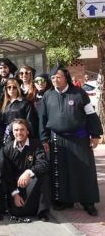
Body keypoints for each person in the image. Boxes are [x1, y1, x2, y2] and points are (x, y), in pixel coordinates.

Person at [39, 67, 102, 216]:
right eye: (53, 78)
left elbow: (91, 114)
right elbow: (43, 119)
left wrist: (95, 134)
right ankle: (65, 200)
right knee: (61, 171)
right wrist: (44, 138)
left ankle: (88, 201)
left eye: (58, 77)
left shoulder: (79, 93)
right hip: (57, 140)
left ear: (66, 77)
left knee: (84, 170)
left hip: (79, 139)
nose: (55, 80)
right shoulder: (48, 95)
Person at [1, 119, 50, 222]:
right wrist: (15, 194)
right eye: (16, 130)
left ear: (27, 131)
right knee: (17, 211)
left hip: (31, 182)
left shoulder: (36, 144)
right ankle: (27, 208)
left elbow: (43, 164)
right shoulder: (7, 149)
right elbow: (7, 174)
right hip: (16, 186)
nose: (19, 133)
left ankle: (42, 213)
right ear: (12, 132)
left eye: (22, 129)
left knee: (43, 176)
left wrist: (28, 172)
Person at [2, 78, 38, 142]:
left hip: (21, 136)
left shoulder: (25, 103)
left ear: (18, 88)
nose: (11, 89)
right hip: (8, 137)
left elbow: (30, 122)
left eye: (14, 87)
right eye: (9, 87)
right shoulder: (4, 104)